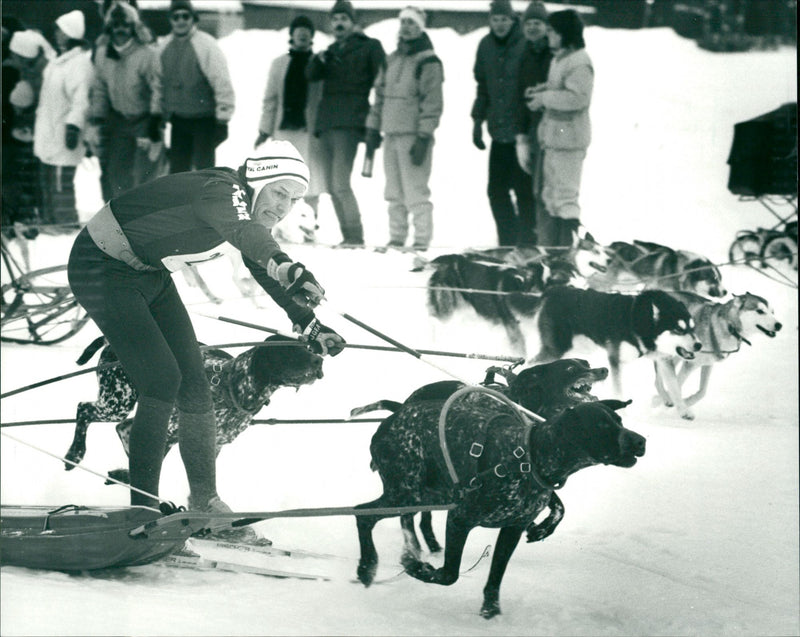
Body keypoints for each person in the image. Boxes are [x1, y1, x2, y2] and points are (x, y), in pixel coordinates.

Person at [67, 140, 346, 513]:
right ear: (258, 179)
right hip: (100, 266)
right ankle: (143, 509)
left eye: (293, 200)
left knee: (193, 380)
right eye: (280, 192)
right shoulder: (222, 190)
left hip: (149, 274)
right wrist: (288, 265)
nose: (283, 207)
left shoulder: (244, 211)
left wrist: (308, 322)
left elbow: (257, 259)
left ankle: (204, 502)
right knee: (162, 380)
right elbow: (251, 238)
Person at [364, 6, 443, 252]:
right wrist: (372, 128)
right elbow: (380, 96)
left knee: (415, 191)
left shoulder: (429, 61)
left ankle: (421, 240)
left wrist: (424, 136)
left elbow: (433, 103)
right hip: (390, 134)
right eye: (404, 23)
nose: (407, 27)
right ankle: (397, 238)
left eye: (412, 23)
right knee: (394, 191)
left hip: (414, 136)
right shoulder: (391, 59)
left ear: (421, 27)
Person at [307, 0, 385, 247]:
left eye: (344, 18)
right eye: (335, 19)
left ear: (353, 23)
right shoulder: (328, 52)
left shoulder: (369, 46)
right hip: (326, 123)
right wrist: (320, 59)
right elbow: (310, 75)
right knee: (331, 186)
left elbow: (383, 82)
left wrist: (375, 122)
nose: (339, 23)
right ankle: (348, 236)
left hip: (350, 122)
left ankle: (355, 237)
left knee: (340, 184)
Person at [526, 9, 593, 247]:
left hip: (569, 139)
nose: (548, 35)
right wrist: (541, 91)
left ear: (565, 33)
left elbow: (577, 98)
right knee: (550, 197)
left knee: (565, 198)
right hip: (554, 138)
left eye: (553, 31)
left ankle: (567, 252)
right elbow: (559, 87)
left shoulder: (580, 62)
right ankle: (552, 253)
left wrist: (545, 99)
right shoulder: (560, 59)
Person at [470, 0, 534, 248]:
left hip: (522, 134)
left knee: (524, 192)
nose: (499, 24)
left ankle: (527, 242)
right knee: (496, 192)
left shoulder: (525, 43)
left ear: (513, 19)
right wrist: (477, 120)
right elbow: (482, 86)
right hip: (498, 132)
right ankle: (508, 242)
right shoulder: (485, 45)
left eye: (504, 19)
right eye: (495, 19)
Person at [255, 14, 324, 237]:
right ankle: (275, 227)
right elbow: (270, 100)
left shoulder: (318, 64)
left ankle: (308, 229)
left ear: (311, 36)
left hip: (309, 133)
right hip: (283, 131)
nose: (302, 34)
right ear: (292, 35)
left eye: (307, 31)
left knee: (309, 181)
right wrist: (264, 130)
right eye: (298, 30)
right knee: (281, 179)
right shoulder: (279, 64)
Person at [87, 1, 164, 199]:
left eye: (125, 25)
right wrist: (96, 120)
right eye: (115, 26)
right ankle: (121, 222)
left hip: (144, 121)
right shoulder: (104, 54)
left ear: (134, 28)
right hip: (119, 121)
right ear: (109, 28)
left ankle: (147, 221)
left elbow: (158, 88)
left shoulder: (147, 54)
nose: (120, 30)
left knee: (143, 176)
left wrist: (154, 124)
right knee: (116, 175)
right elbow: (100, 89)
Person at [33, 11, 92, 234]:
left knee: (60, 182)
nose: (56, 34)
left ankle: (65, 225)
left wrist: (73, 126)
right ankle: (50, 221)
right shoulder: (56, 61)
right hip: (48, 131)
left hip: (63, 132)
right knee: (48, 178)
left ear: (70, 34)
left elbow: (81, 100)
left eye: (60, 30)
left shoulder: (79, 64)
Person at [160, 0, 234, 173]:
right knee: (178, 173)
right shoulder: (164, 46)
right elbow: (159, 84)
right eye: (176, 16)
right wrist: (159, 117)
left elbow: (221, 80)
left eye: (185, 16)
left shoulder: (206, 45)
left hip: (203, 121)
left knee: (203, 172)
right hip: (178, 120)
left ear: (193, 18)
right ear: (170, 19)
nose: (181, 21)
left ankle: (205, 200)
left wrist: (223, 118)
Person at [514, 1, 551, 246]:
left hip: (551, 130)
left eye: (537, 23)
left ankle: (548, 243)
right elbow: (519, 96)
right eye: (528, 24)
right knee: (526, 189)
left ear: (546, 26)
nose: (532, 28)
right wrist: (521, 136)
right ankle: (527, 241)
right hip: (531, 130)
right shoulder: (524, 53)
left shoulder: (553, 54)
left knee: (547, 191)